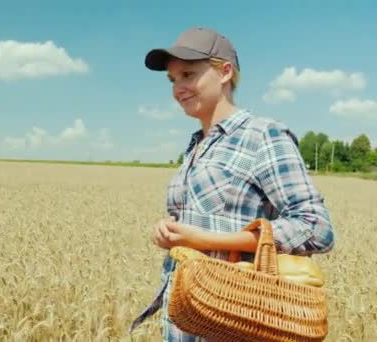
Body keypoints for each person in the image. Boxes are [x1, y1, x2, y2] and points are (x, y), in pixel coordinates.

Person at [128, 27, 335, 341]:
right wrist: (171, 231)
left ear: (224, 72)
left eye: (188, 74)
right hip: (186, 323)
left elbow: (317, 228)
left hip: (237, 324)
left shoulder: (262, 136)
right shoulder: (197, 145)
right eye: (173, 80)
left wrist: (207, 238)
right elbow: (202, 220)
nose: (178, 88)